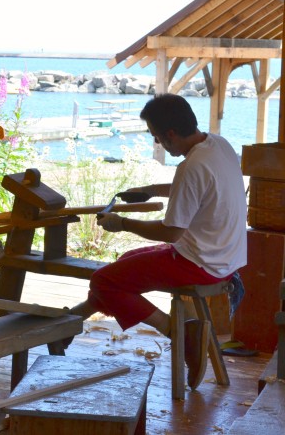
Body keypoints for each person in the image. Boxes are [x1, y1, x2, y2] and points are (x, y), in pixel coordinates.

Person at [68, 93, 247, 390]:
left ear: (171, 134)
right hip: (225, 256)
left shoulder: (190, 167)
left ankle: (179, 333)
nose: (157, 143)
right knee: (125, 262)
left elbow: (170, 233)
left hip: (201, 263)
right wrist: (149, 190)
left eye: (156, 137)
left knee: (104, 280)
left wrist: (121, 223)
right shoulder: (218, 144)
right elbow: (197, 188)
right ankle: (73, 321)